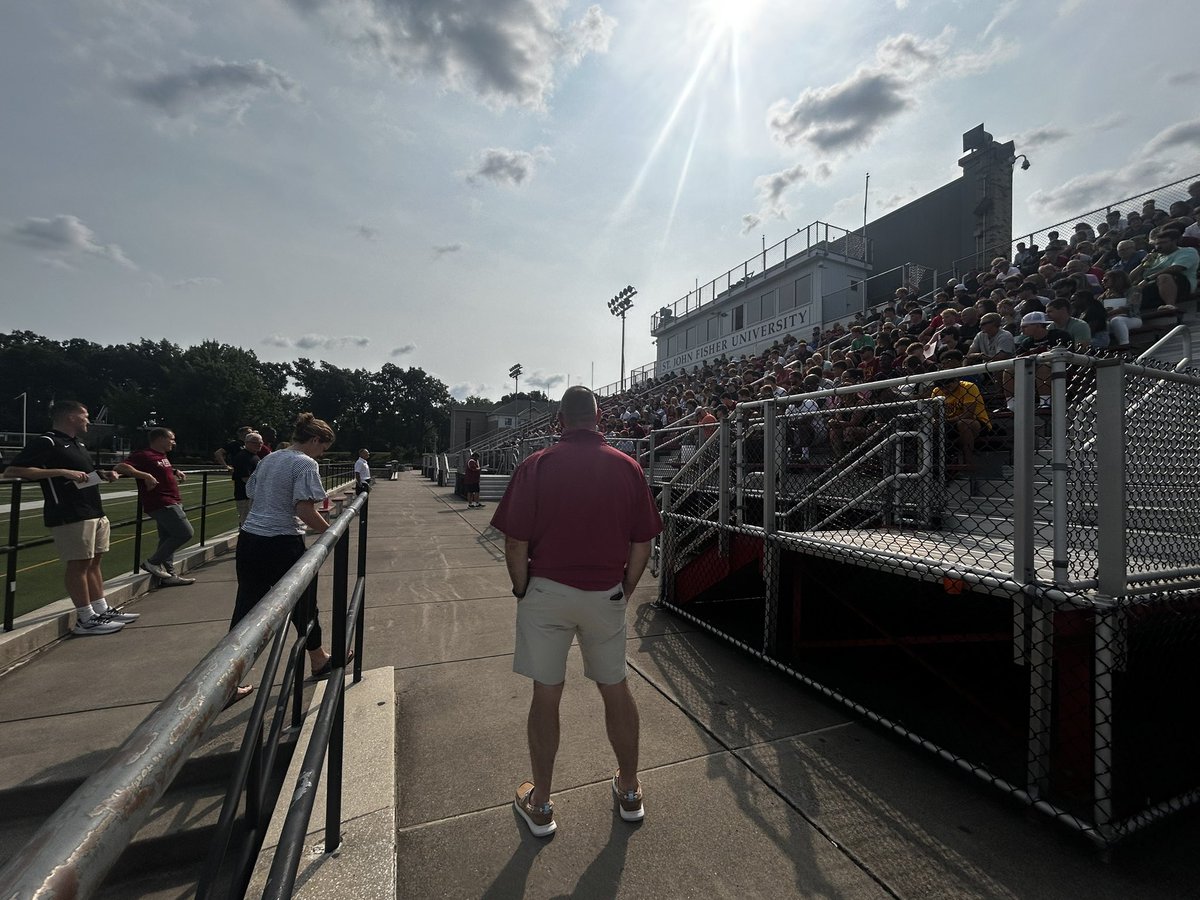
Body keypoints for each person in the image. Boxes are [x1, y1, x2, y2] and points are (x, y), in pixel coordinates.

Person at [490, 386, 663, 837]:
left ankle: (543, 803)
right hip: (605, 591)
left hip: (546, 590)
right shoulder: (627, 466)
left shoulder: (538, 464)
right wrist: (625, 587)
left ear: (560, 420)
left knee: (546, 694)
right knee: (615, 689)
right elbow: (641, 542)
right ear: (599, 417)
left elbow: (515, 541)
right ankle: (629, 791)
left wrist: (522, 587)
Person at [229, 413, 341, 703]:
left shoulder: (271, 457)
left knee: (246, 608)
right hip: (281, 542)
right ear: (315, 440)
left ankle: (226, 682)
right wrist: (333, 533)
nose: (322, 453)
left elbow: (252, 492)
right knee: (304, 604)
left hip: (250, 538)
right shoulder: (305, 463)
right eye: (323, 447)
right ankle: (318, 660)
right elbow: (304, 510)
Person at [6, 401, 137, 634]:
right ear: (71, 417)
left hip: (92, 509)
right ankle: (85, 618)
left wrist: (102, 474)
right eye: (85, 416)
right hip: (69, 512)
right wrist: (61, 472)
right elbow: (13, 471)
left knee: (94, 562)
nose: (88, 420)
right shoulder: (47, 441)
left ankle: (101, 608)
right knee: (78, 564)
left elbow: (83, 475)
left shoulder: (77, 443)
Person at [115, 427, 196, 586]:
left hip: (172, 500)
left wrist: (174, 471)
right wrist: (145, 476)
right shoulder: (143, 455)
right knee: (185, 533)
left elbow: (158, 468)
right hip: (161, 502)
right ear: (160, 439)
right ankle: (153, 562)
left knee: (167, 538)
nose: (174, 442)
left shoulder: (162, 456)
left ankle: (169, 576)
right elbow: (120, 467)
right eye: (171, 439)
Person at [231, 432, 263, 526]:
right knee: (247, 524)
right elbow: (245, 478)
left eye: (261, 442)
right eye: (255, 442)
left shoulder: (254, 456)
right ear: (246, 443)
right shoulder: (243, 457)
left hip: (252, 496)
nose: (259, 445)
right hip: (246, 497)